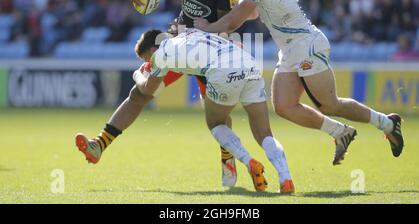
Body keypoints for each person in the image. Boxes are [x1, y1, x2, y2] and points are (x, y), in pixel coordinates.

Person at [194, 0, 404, 165]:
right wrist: (232, 12)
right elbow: (250, 12)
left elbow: (235, 20)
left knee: (330, 105)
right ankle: (340, 132)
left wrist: (206, 28)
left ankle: (387, 123)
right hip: (291, 48)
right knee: (283, 106)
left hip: (306, 46)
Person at [75, 0, 244, 188]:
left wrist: (207, 31)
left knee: (216, 119)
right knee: (140, 94)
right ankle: (99, 145)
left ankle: (227, 158)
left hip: (211, 53)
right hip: (179, 46)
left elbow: (233, 21)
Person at [77, 28, 295, 193]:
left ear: (153, 50)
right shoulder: (187, 32)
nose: (148, 65)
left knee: (216, 124)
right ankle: (286, 178)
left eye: (147, 61)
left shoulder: (163, 54)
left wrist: (138, 74)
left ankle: (247, 162)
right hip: (246, 61)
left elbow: (147, 88)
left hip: (220, 70)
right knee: (264, 133)